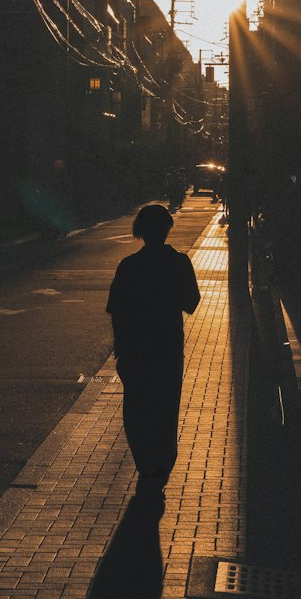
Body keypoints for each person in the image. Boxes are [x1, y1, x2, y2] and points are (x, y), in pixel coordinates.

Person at [106, 203, 200, 503]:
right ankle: (160, 469)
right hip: (168, 348)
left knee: (137, 409)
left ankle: (146, 466)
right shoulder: (179, 263)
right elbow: (192, 302)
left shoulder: (128, 267)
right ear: (167, 228)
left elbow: (116, 311)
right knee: (165, 409)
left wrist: (120, 348)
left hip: (135, 350)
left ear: (140, 232)